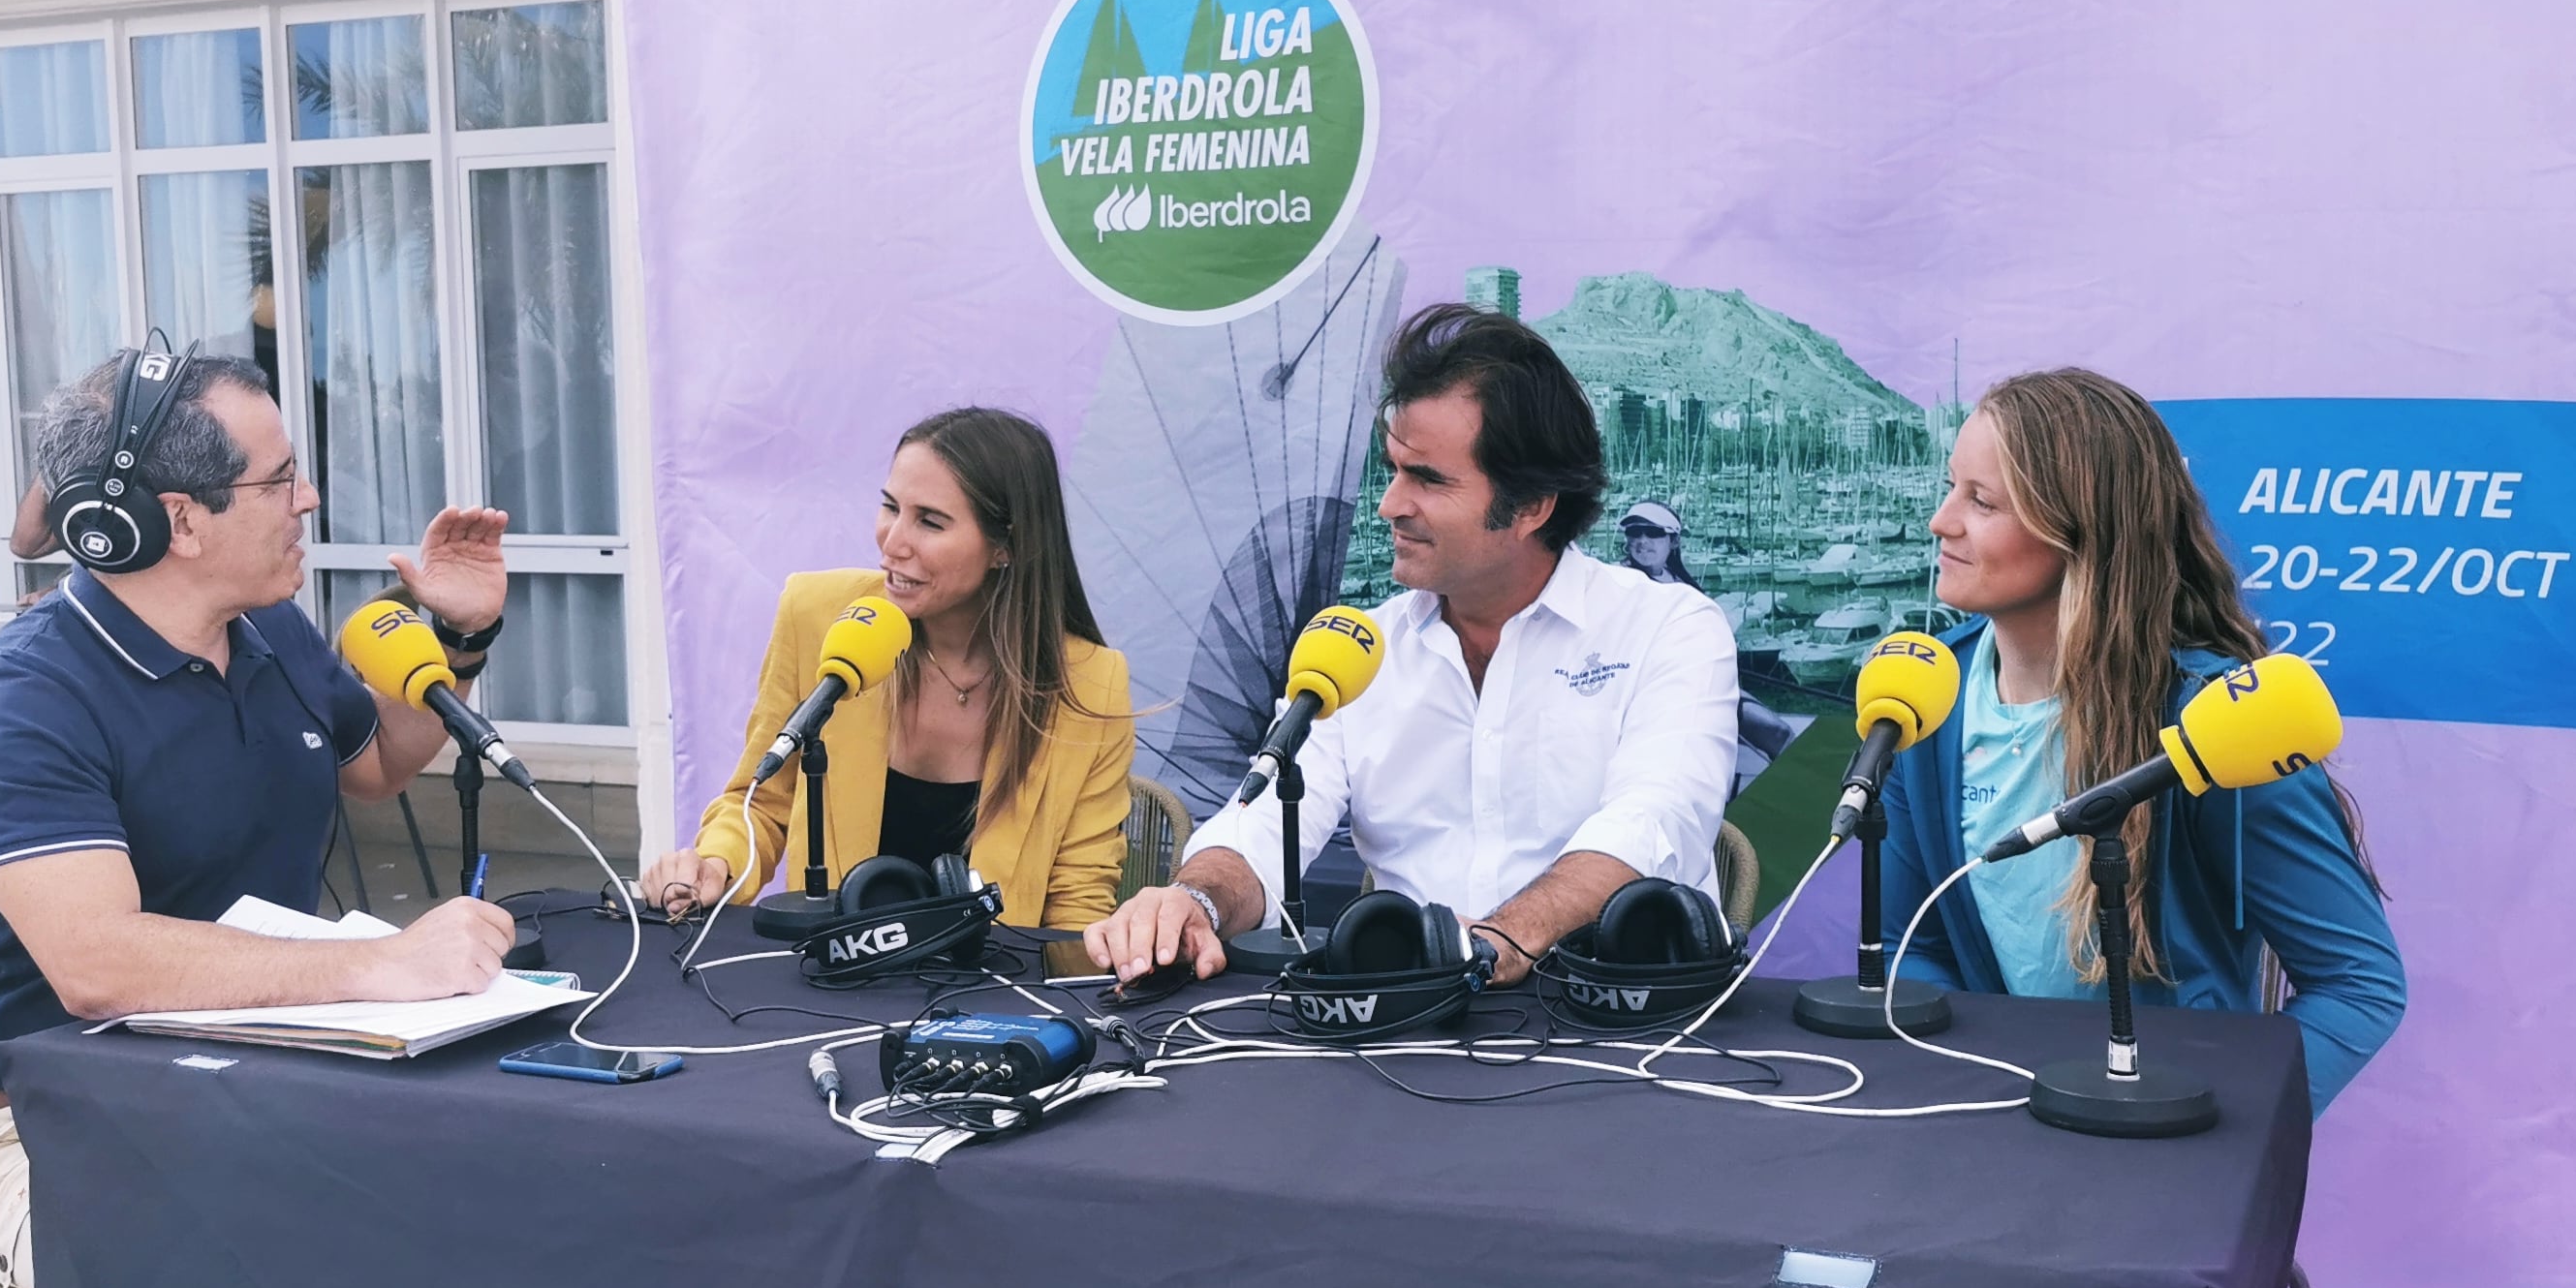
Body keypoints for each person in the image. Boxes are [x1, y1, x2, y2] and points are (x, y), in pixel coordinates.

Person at [0, 350, 520, 1288]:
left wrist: (460, 641)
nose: (307, 499)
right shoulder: (29, 692)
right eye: (278, 481)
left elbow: (382, 764)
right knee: (250, 1270)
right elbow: (97, 965)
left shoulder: (269, 629)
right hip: (37, 1130)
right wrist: (377, 965)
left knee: (482, 1201)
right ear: (179, 519)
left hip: (249, 1089)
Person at [1085, 304, 1740, 985]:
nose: (1390, 503)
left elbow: (1655, 820)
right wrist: (1195, 902)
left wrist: (1501, 940)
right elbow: (1266, 827)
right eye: (1394, 469)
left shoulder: (1671, 627)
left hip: (1626, 1025)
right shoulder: (1361, 651)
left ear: (1531, 505)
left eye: (1427, 478)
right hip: (1413, 1031)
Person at [1883, 368, 2404, 1116]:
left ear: (2080, 529)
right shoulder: (1925, 697)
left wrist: (2222, 1140)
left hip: (2162, 1165)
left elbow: (2359, 986)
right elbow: (1919, 951)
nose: (1941, 521)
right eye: (1951, 487)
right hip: (1995, 1141)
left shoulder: (2215, 725)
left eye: (1982, 501)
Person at [641, 407, 1135, 928]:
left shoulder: (1091, 683)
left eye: (929, 521)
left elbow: (1077, 902)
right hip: (829, 984)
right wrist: (716, 863)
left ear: (1004, 547)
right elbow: (760, 806)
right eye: (889, 507)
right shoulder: (817, 617)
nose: (892, 540)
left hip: (991, 996)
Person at [1618, 498, 1795, 769]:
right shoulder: (1622, 585)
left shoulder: (1679, 581)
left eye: (1653, 533)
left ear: (1674, 541)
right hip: (1661, 694)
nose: (1642, 540)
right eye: (1634, 532)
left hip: (1705, 685)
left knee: (1779, 734)